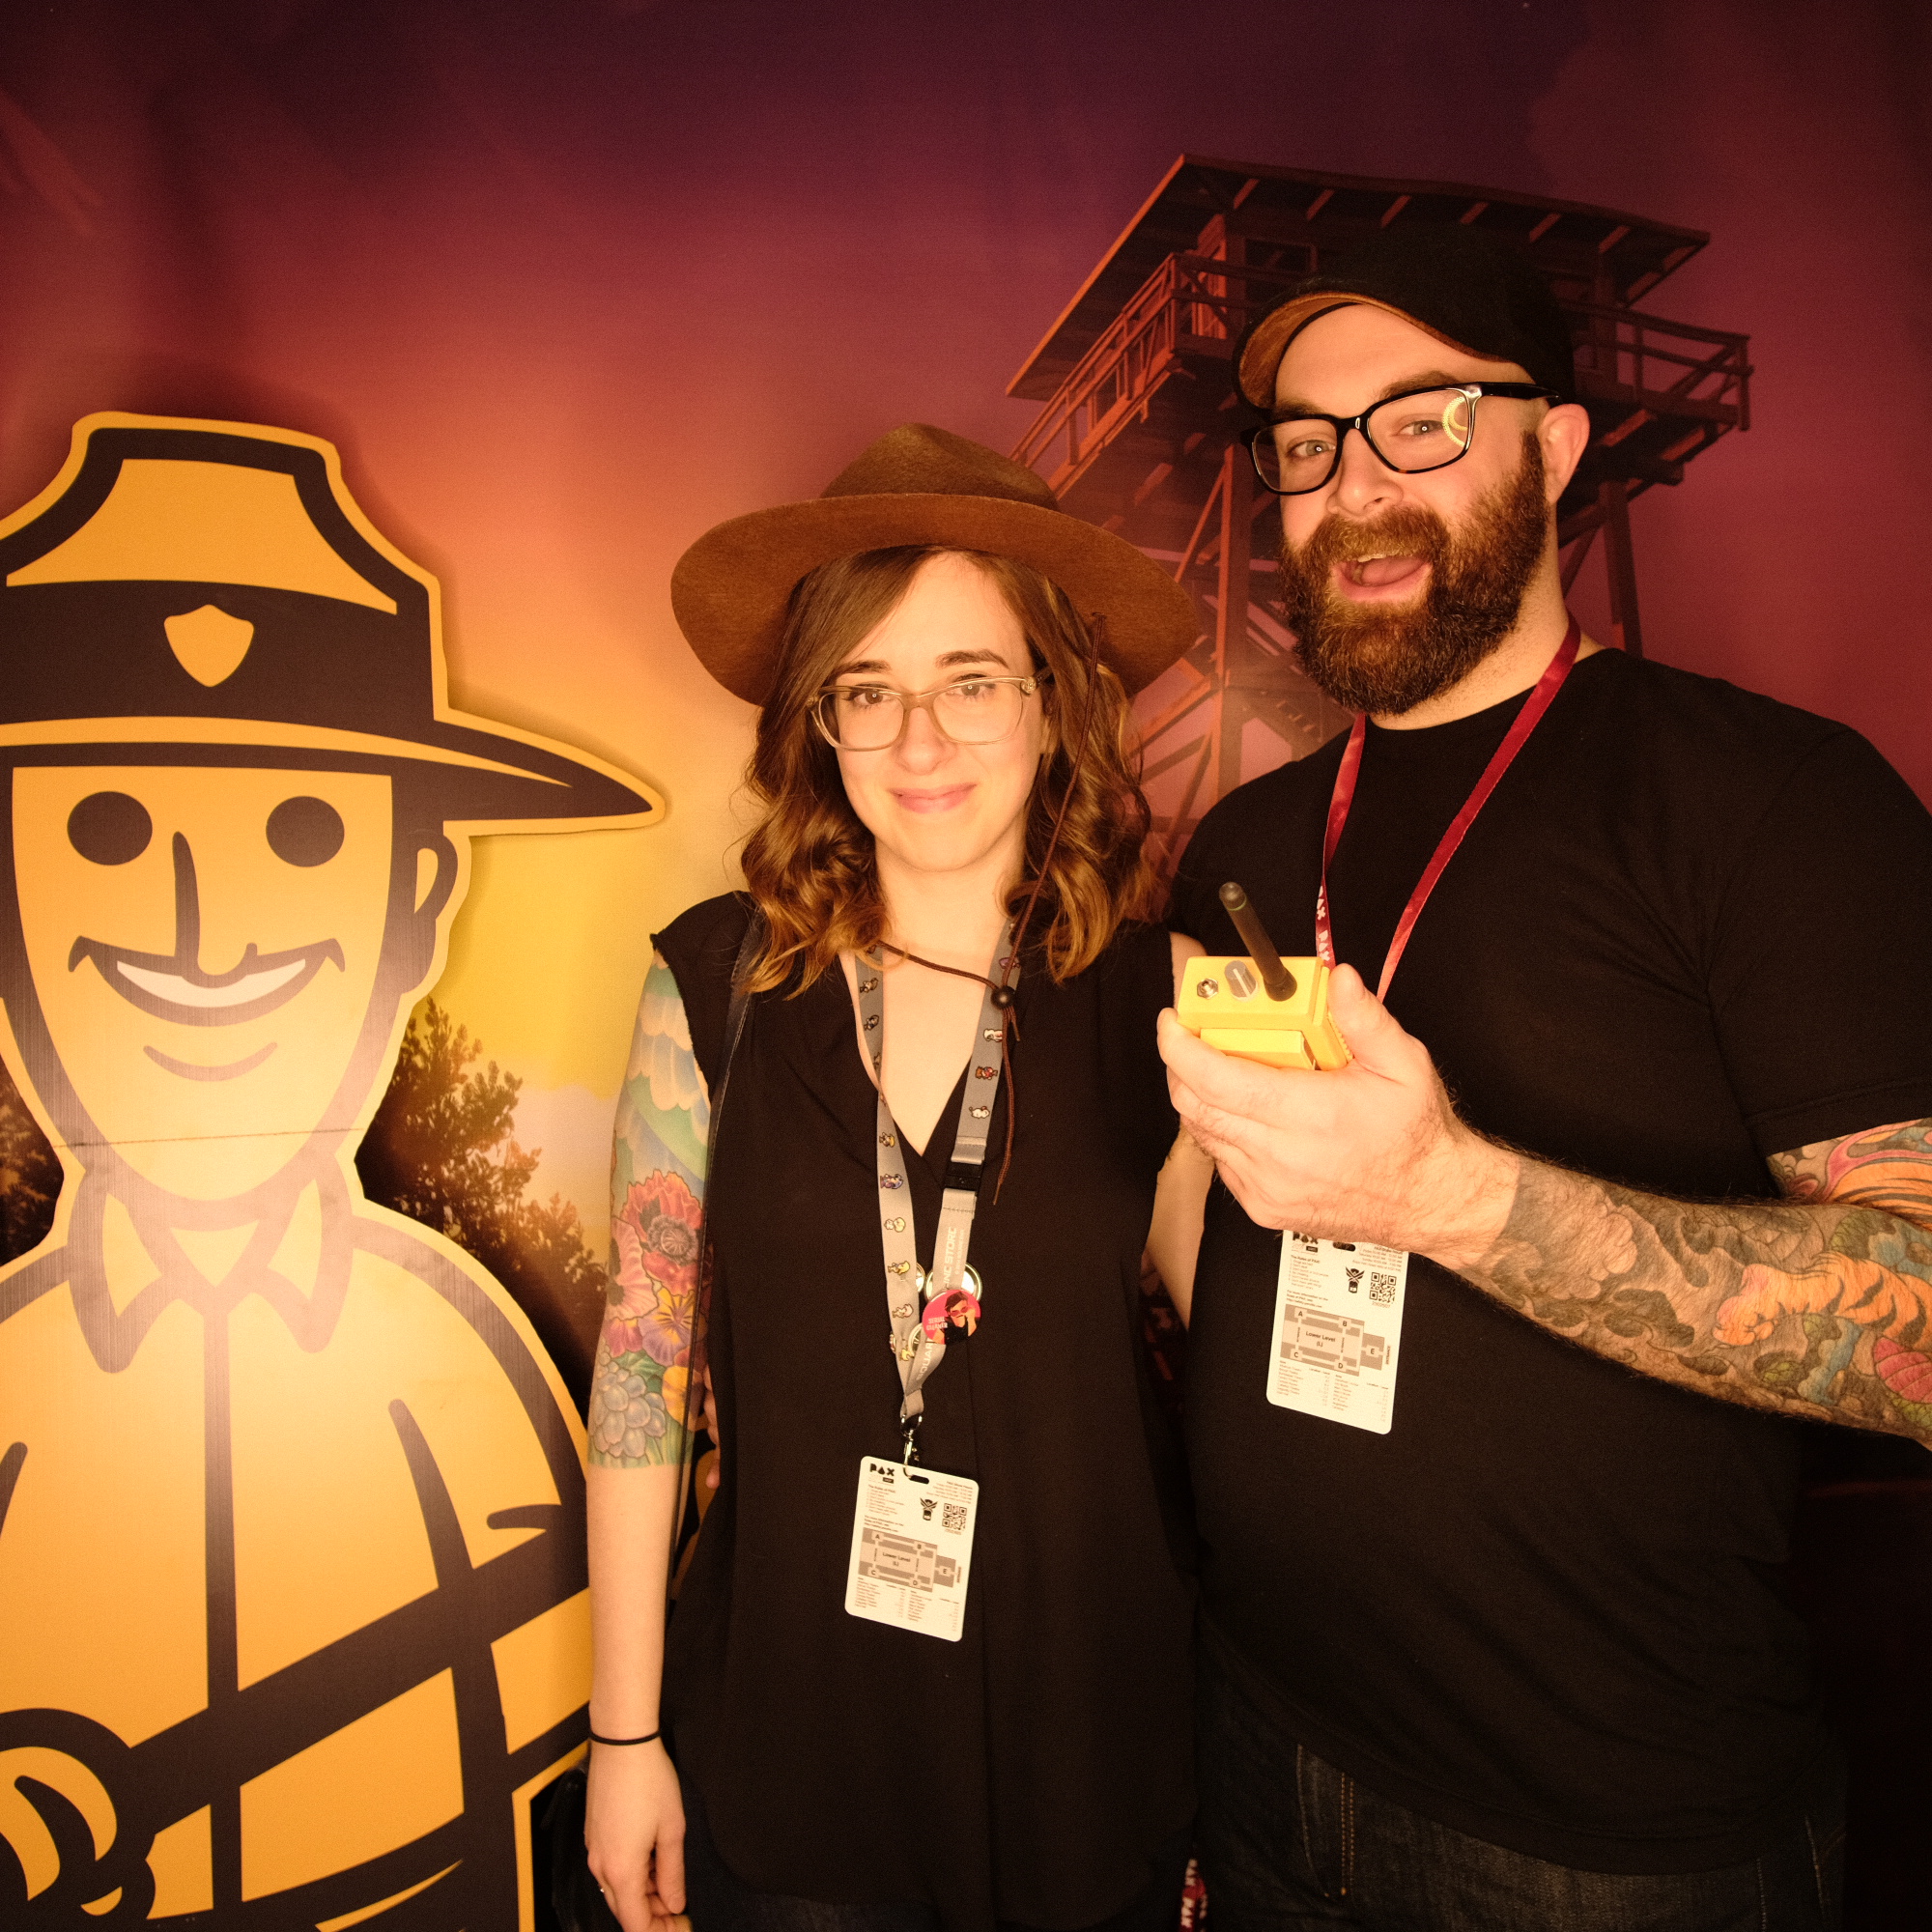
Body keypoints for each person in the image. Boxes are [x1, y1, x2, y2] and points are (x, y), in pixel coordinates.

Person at [1155, 226, 1932, 1930]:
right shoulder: (1245, 845)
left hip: (1604, 1839)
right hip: (1261, 1741)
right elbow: (1214, 1218)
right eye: (1307, 444)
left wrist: (1450, 1198)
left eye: (1423, 419)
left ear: (1559, 444)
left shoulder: (1775, 806)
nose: (1355, 486)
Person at [0, 415, 657, 1917]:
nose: (204, 928)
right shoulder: (6, 1392)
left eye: (300, 831)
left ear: (416, 890)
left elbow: (569, 1713)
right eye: (108, 828)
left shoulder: (462, 1369)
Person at [585, 424, 1208, 1932]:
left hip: (1092, 1757)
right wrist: (623, 1736)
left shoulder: (1173, 1000)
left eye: (970, 683)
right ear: (821, 725)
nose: (919, 744)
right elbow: (643, 1371)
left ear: (1054, 705)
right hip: (791, 1751)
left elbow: (1247, 1373)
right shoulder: (714, 989)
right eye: (869, 691)